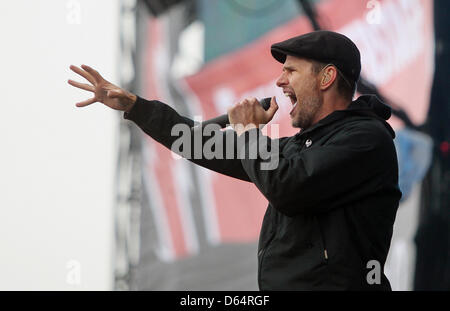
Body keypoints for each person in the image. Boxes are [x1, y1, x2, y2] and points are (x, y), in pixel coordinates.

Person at [68, 30, 402, 290]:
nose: (280, 81)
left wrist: (248, 131)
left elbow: (288, 187)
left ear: (326, 78)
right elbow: (198, 143)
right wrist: (136, 107)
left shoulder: (366, 140)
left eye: (291, 71)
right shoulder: (300, 148)